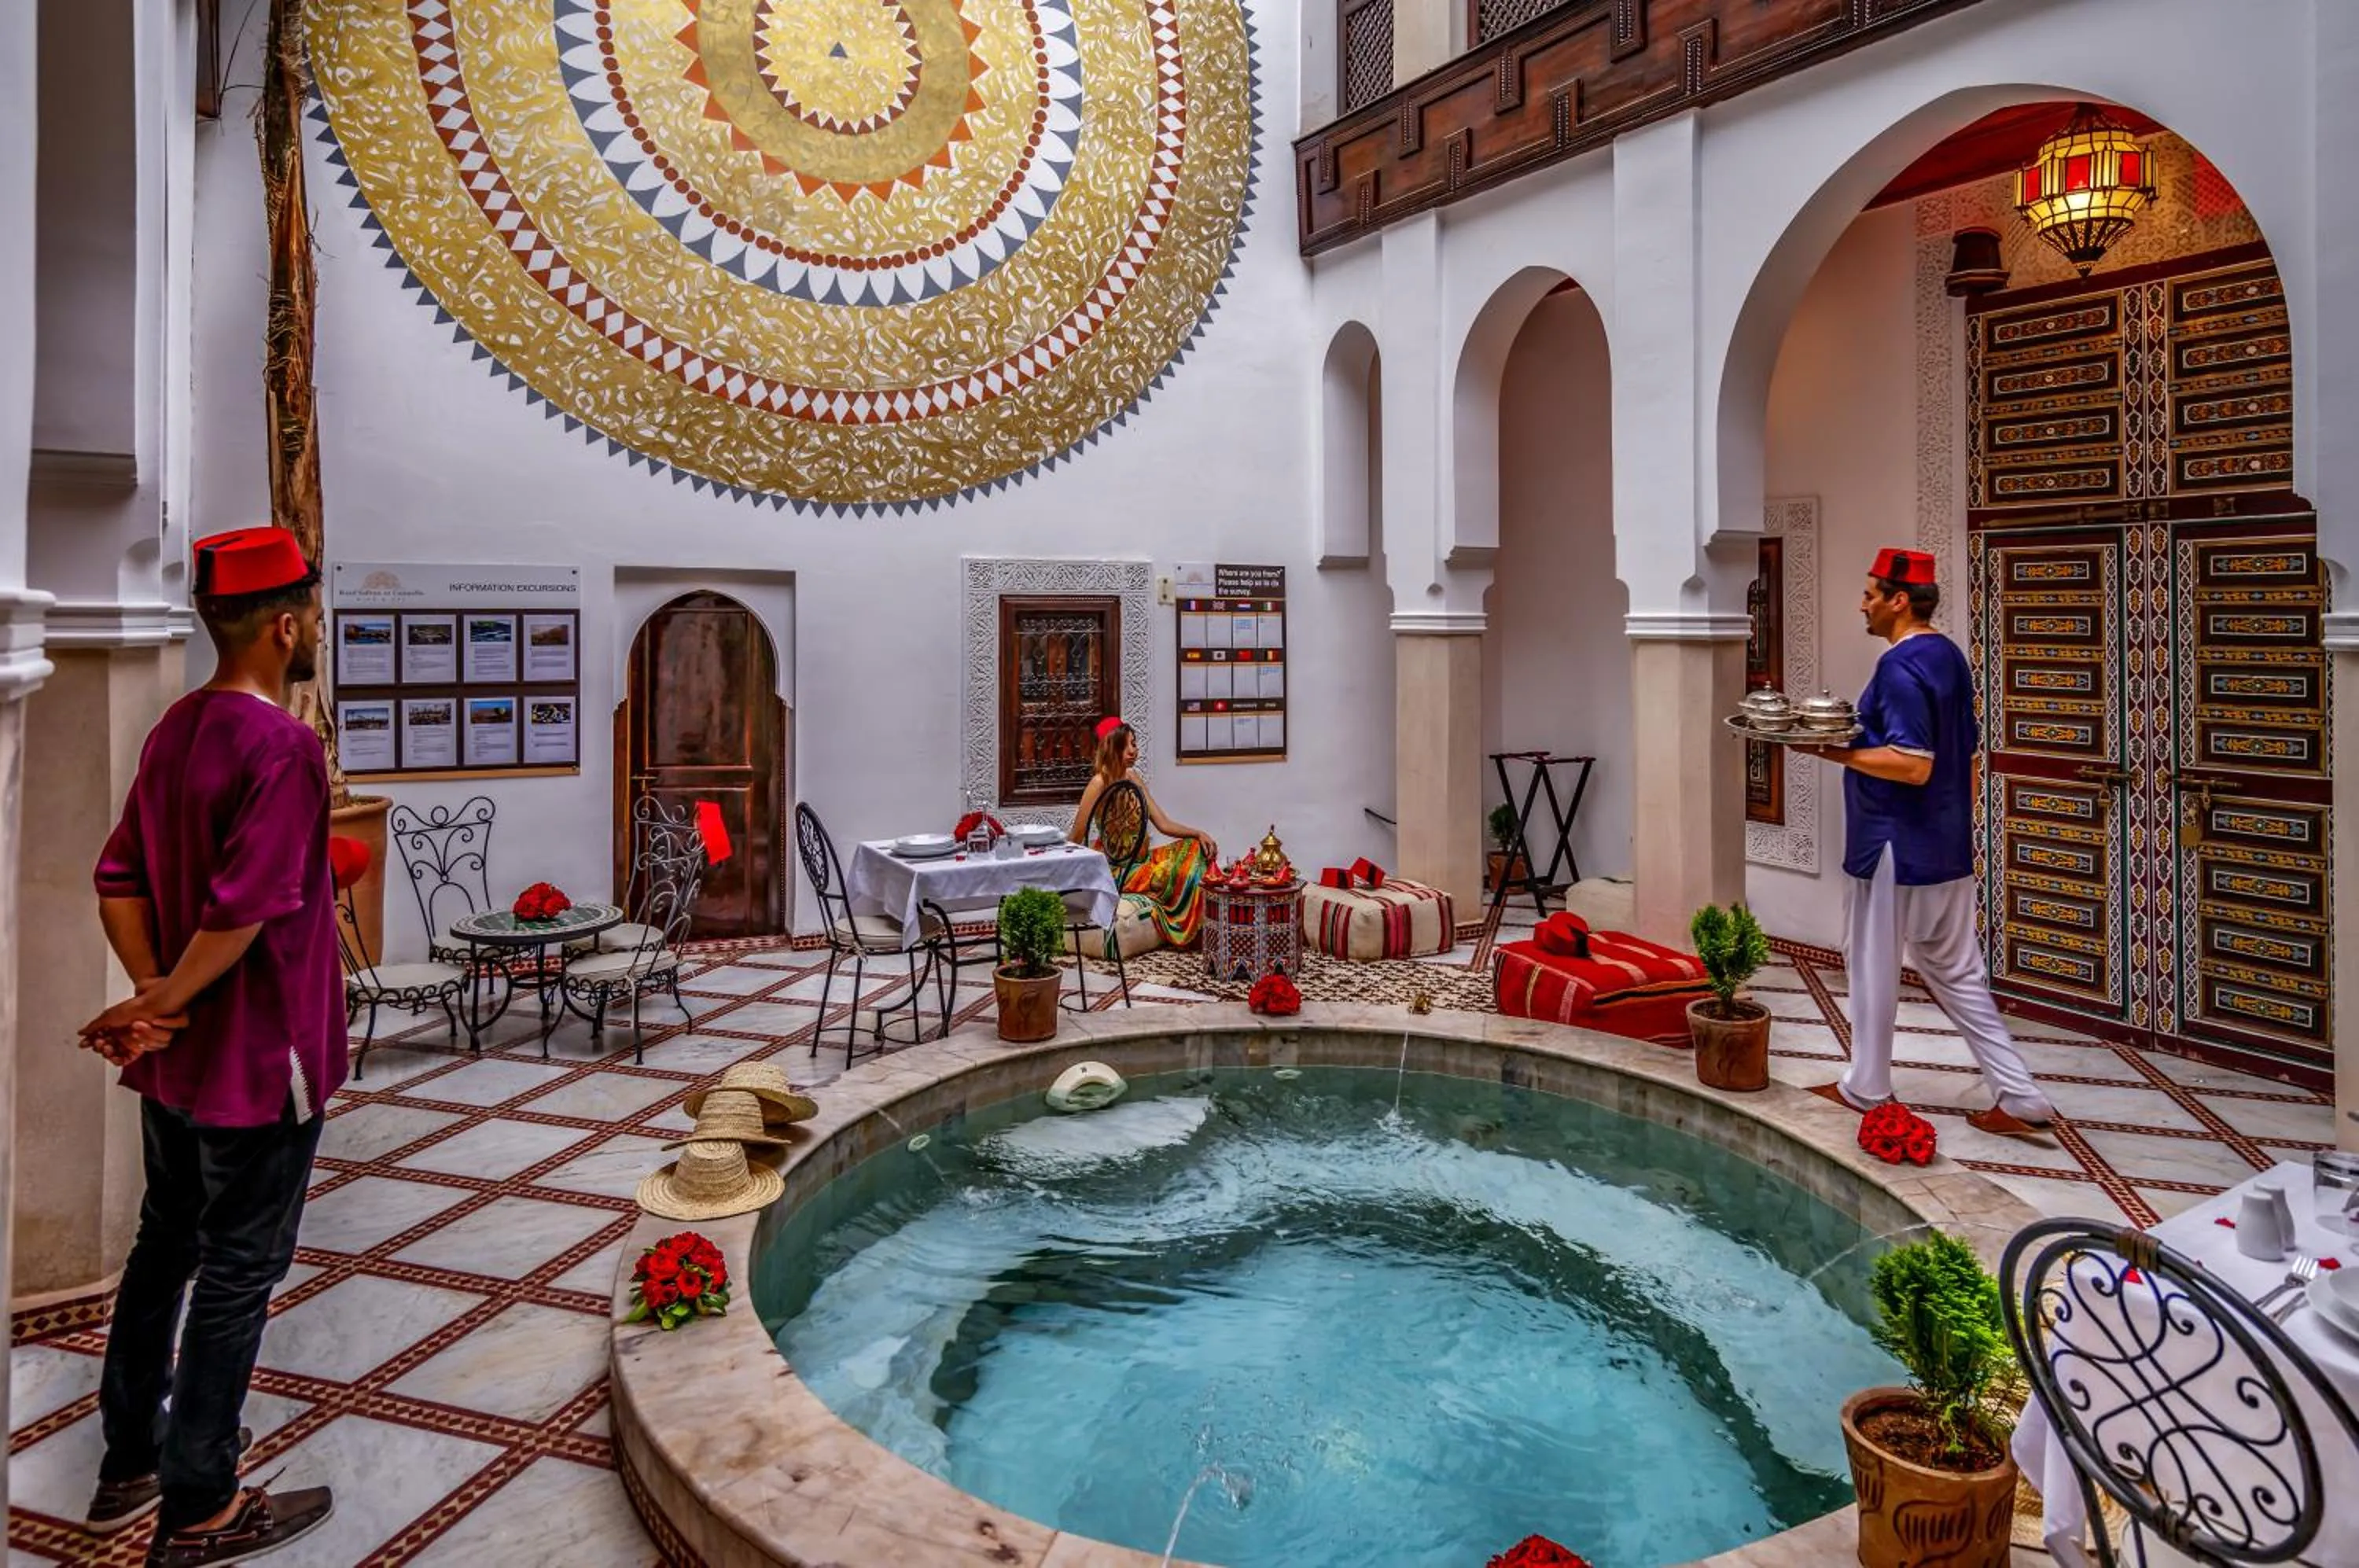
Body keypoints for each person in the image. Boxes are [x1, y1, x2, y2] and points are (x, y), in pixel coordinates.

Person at [76, 526, 339, 1563]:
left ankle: (129, 1455)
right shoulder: (284, 747)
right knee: (237, 1269)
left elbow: (118, 878)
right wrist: (174, 997)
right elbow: (245, 911)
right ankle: (201, 1505)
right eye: (311, 613)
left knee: (165, 1243)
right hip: (262, 1061)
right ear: (284, 628)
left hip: (178, 1064)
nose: (314, 627)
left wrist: (153, 1003)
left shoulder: (177, 728)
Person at [1795, 547, 2055, 1139]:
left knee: (1870, 962)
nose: (1862, 605)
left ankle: (1865, 1087)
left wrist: (1828, 751)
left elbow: (1913, 764)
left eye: (1870, 594)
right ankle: (2020, 1095)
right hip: (1943, 844)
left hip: (1892, 844)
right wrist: (1956, 826)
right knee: (1957, 971)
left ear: (1898, 601)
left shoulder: (1899, 666)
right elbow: (1968, 757)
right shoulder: (1949, 656)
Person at [1069, 716, 1218, 947]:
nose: (1133, 751)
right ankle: (1185, 930)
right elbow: (1077, 837)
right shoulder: (1098, 783)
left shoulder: (1133, 778)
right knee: (1168, 873)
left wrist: (1198, 833)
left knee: (1196, 849)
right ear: (1112, 747)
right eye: (1127, 745)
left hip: (1143, 862)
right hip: (1118, 870)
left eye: (1134, 744)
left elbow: (1163, 823)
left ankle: (1195, 928)